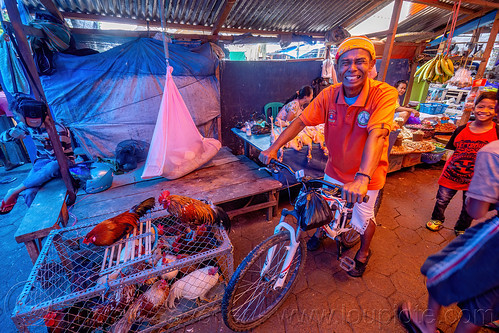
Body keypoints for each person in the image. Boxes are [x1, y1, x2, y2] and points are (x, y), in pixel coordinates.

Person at [259, 36, 398, 277]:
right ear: (336, 67)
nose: (352, 68)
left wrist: (363, 178)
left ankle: (364, 252)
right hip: (335, 168)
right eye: (345, 63)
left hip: (367, 174)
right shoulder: (328, 95)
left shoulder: (383, 94)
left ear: (372, 64)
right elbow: (300, 121)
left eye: (360, 61)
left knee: (363, 218)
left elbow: (377, 135)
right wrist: (274, 147)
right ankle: (321, 232)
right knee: (323, 204)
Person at [397, 137, 499, 333]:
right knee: (485, 302)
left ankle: (427, 325)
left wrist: (475, 195)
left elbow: (476, 211)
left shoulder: (492, 152)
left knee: (438, 271)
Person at [426, 91, 498, 236]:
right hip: (451, 175)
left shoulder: (497, 132)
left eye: (490, 107)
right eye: (481, 106)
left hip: (476, 181)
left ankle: (461, 227)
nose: (484, 111)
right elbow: (451, 151)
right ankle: (437, 219)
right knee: (442, 200)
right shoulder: (461, 129)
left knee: (468, 206)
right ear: (474, 108)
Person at [0, 95, 74, 214]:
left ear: (31, 116)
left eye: (18, 116)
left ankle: (14, 191)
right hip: (42, 163)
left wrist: (44, 137)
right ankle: (42, 223)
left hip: (64, 163)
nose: (18, 119)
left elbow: (55, 157)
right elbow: (2, 138)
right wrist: (11, 134)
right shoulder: (27, 126)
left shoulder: (58, 129)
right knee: (28, 193)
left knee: (54, 165)